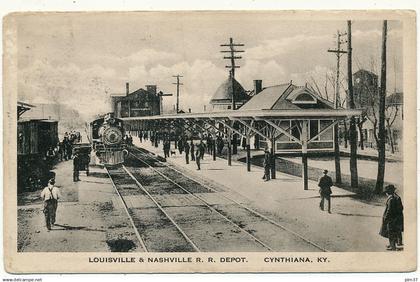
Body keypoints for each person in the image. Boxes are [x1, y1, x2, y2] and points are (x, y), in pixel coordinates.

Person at [380, 185, 404, 251]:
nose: (386, 193)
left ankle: (393, 247)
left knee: (391, 233)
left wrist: (386, 218)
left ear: (388, 192)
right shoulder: (395, 197)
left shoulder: (391, 199)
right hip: (395, 219)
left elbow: (389, 210)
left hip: (391, 219)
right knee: (393, 232)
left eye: (386, 192)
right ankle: (392, 245)